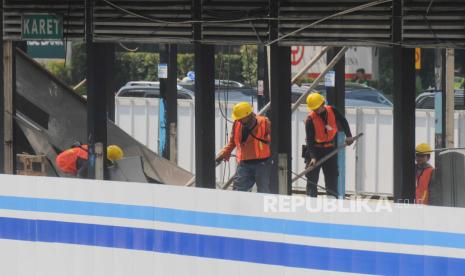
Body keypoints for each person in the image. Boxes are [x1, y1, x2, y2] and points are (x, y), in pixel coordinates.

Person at [303, 93, 354, 197]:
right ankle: (311, 203)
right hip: (314, 150)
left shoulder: (332, 110)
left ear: (322, 104)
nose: (316, 110)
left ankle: (332, 203)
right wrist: (312, 157)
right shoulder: (310, 119)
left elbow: (343, 121)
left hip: (329, 148)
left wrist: (348, 135)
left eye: (317, 108)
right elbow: (309, 140)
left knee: (332, 178)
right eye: (314, 109)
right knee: (312, 180)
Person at [216, 102, 271, 193]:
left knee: (264, 191)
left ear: (249, 115)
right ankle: (238, 207)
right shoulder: (237, 124)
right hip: (244, 164)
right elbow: (232, 142)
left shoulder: (264, 122)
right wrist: (224, 153)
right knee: (238, 191)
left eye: (241, 118)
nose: (239, 120)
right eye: (238, 118)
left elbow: (274, 140)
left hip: (262, 164)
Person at [56, 142, 124, 177]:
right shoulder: (90, 162)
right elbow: (80, 176)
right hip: (63, 162)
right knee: (84, 174)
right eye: (109, 163)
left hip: (68, 155)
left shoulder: (97, 149)